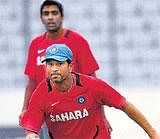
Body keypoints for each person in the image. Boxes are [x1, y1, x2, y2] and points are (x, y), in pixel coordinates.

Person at [19, 44, 160, 139]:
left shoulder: (93, 86)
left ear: (70, 66)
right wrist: (31, 134)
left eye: (59, 64)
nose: (54, 68)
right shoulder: (41, 93)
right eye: (50, 64)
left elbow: (125, 105)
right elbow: (31, 124)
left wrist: (153, 134)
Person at [20, 0, 109, 138]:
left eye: (54, 13)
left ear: (62, 16)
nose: (50, 17)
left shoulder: (77, 41)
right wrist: (25, 109)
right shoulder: (35, 44)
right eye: (46, 13)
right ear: (41, 18)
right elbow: (31, 82)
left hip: (76, 111)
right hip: (46, 110)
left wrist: (102, 116)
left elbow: (94, 84)